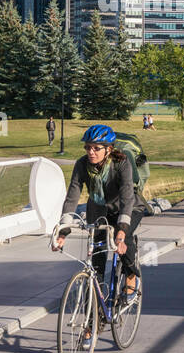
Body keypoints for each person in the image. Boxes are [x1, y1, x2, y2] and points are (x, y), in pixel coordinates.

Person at [52, 125, 145, 340]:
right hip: (99, 211)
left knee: (125, 239)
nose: (91, 152)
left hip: (128, 207)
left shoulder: (121, 163)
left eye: (96, 148)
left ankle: (131, 274)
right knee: (95, 268)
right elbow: (72, 198)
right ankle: (92, 323)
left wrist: (120, 232)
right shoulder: (81, 165)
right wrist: (63, 231)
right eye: (88, 148)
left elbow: (127, 198)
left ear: (108, 149)